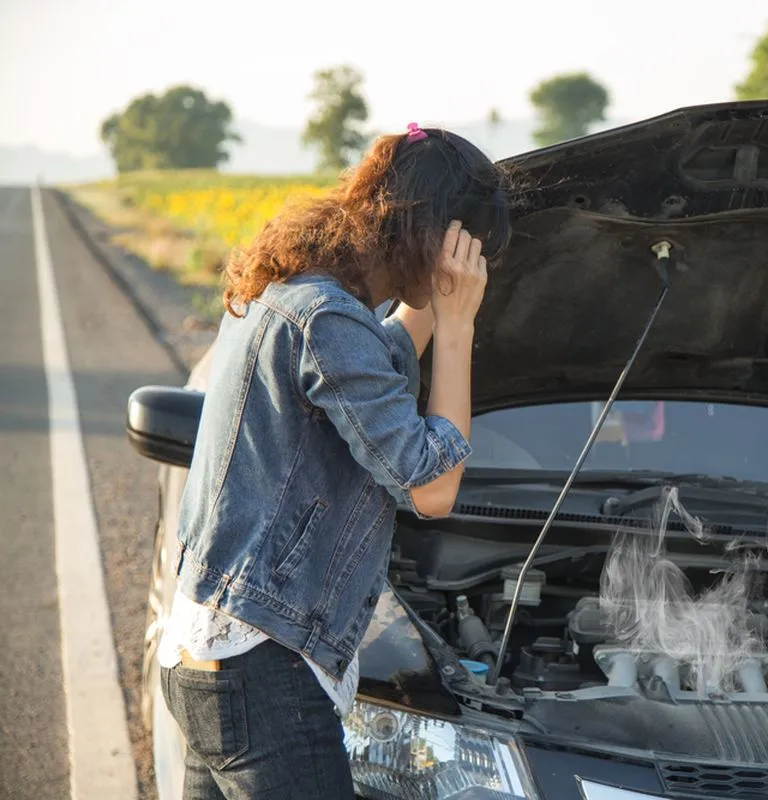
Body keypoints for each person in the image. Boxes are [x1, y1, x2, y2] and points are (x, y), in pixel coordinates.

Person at [157, 124, 511, 799]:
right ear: (433, 231)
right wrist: (459, 325)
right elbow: (432, 487)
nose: (471, 268)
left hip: (211, 658)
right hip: (263, 672)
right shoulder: (328, 318)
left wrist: (432, 304)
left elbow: (378, 366)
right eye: (468, 245)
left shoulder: (300, 291)